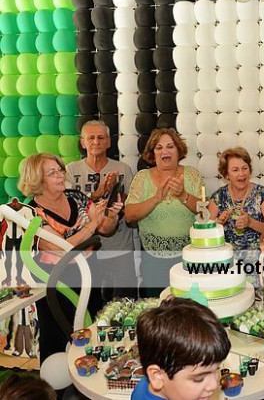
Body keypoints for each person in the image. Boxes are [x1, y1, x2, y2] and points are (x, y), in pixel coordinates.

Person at [18, 153, 122, 362]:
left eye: (60, 170)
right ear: (37, 179)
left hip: (90, 272)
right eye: (52, 172)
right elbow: (62, 249)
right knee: (60, 334)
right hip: (57, 281)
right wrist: (93, 224)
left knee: (92, 326)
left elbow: (106, 229)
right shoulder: (31, 213)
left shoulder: (76, 197)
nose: (60, 175)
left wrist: (111, 216)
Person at [125, 128, 204, 297]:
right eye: (159, 147)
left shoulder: (192, 174)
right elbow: (129, 215)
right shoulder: (142, 177)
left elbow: (205, 213)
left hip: (188, 258)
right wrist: (155, 199)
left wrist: (183, 195)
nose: (164, 151)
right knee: (157, 307)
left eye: (170, 146)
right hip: (153, 261)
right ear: (152, 153)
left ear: (179, 150)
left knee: (187, 306)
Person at [66, 119, 137, 303]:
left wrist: (116, 193)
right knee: (91, 305)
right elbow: (69, 209)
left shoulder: (123, 169)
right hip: (85, 252)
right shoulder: (71, 170)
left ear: (108, 142)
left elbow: (132, 208)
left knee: (124, 305)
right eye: (90, 138)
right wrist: (97, 193)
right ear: (82, 142)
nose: (96, 142)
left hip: (120, 249)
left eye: (100, 137)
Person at [132, 296, 230, 400]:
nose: (214, 385)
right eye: (199, 379)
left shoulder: (145, 385)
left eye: (216, 369)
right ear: (157, 376)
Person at [208, 147, 264, 286]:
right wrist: (218, 223)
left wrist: (251, 223)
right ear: (226, 174)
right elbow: (206, 233)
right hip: (226, 266)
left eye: (245, 168)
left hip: (257, 265)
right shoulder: (219, 197)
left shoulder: (262, 194)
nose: (241, 174)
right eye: (235, 170)